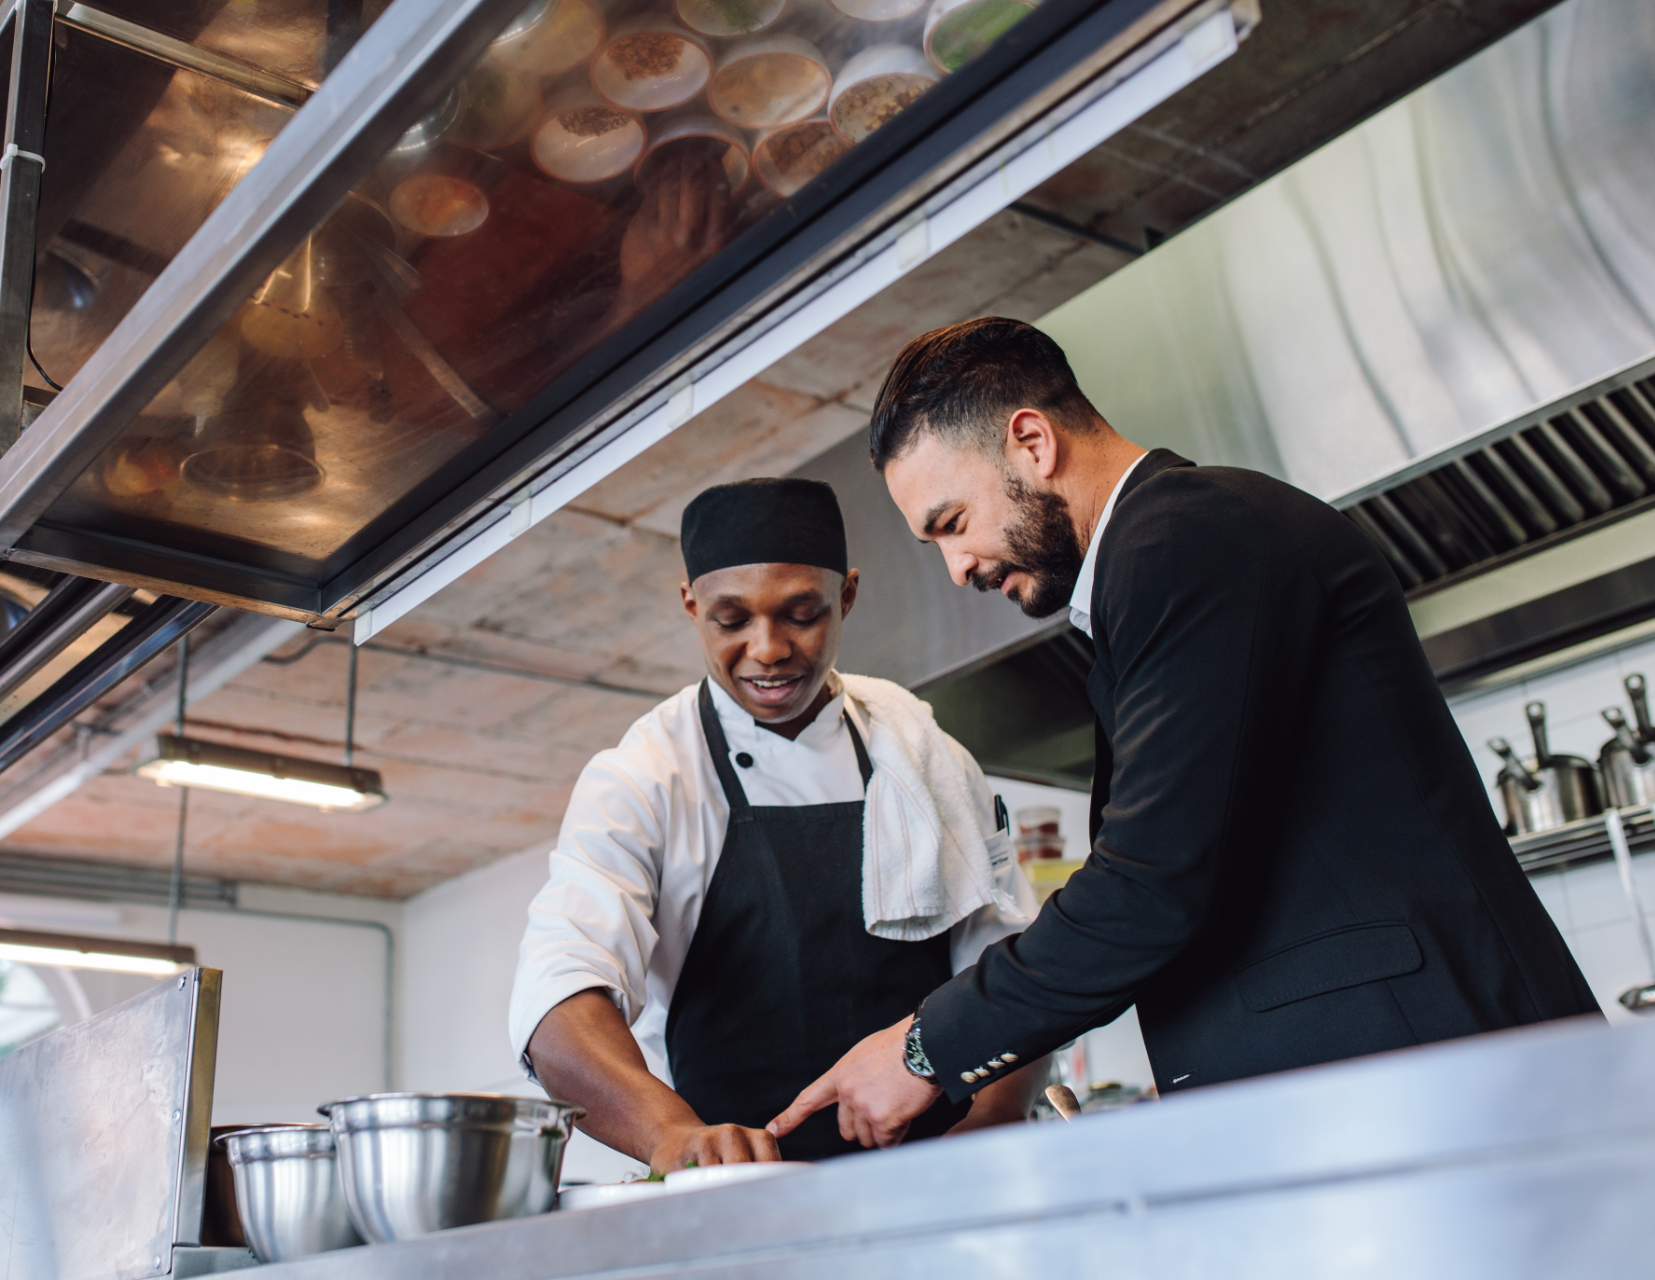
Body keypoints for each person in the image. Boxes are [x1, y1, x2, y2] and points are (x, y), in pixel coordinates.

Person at [768, 318, 1601, 1150]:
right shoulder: (1154, 564)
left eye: (951, 523)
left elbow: (1152, 882)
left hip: (1430, 1087)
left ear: (1030, 441)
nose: (958, 570)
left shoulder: (1186, 536)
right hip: (1380, 1096)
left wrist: (923, 1049)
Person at [510, 477, 1047, 1168]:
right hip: (739, 1190)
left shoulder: (924, 754)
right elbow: (557, 1001)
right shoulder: (644, 778)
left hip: (940, 1174)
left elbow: (1010, 967)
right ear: (691, 604)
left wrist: (997, 1116)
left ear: (846, 596)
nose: (767, 649)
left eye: (801, 614)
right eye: (731, 621)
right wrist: (669, 1136)